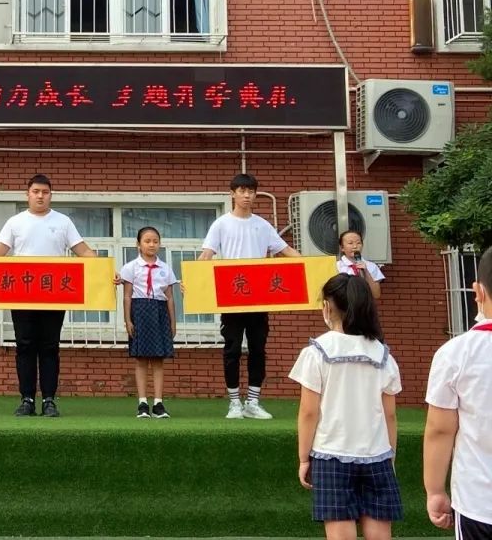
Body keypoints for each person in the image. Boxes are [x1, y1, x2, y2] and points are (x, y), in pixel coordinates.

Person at [0, 174, 96, 418]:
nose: (40, 196)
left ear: (51, 195)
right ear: (27, 194)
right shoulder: (16, 222)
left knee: (50, 347)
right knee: (25, 346)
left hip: (54, 293)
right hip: (22, 294)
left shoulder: (63, 222)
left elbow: (83, 251)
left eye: (45, 192)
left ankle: (49, 400)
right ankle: (27, 399)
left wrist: (106, 271)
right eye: (36, 191)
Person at [288, 274, 401, 540]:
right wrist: (390, 456)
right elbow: (390, 415)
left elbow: (308, 412)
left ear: (327, 307)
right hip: (377, 454)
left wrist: (304, 458)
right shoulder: (382, 354)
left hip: (331, 455)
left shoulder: (316, 352)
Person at [199, 173, 300, 420]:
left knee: (258, 348)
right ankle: (234, 402)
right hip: (232, 296)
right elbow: (206, 255)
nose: (247, 195)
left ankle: (253, 401)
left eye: (251, 191)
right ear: (232, 194)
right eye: (242, 191)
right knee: (232, 348)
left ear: (255, 195)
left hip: (258, 296)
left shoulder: (262, 225)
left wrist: (317, 267)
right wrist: (193, 281)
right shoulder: (221, 224)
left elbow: (286, 250)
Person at [424, 245, 492, 538]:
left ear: (478, 292)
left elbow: (440, 429)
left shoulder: (455, 353)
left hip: (479, 502)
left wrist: (434, 490)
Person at [119, 226, 178, 419]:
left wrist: (173, 322)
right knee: (141, 359)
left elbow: (170, 297)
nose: (151, 244)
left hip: (160, 311)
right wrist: (128, 320)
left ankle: (158, 403)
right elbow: (127, 296)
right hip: (140, 310)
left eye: (155, 241)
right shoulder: (131, 267)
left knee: (159, 359)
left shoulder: (165, 269)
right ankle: (142, 403)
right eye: (147, 241)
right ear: (138, 244)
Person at [336, 230, 385, 299]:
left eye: (358, 243)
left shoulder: (372, 266)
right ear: (342, 248)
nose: (355, 246)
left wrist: (366, 271)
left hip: (365, 304)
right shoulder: (336, 266)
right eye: (350, 243)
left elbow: (376, 295)